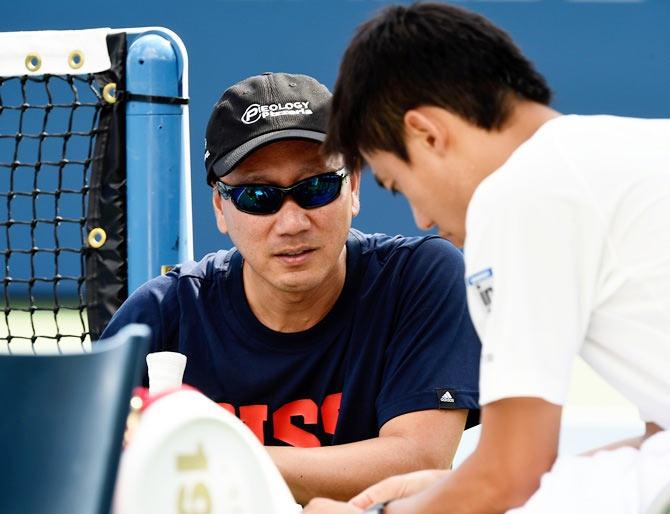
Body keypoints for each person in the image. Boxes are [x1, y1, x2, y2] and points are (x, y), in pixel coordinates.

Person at [304, 3, 670, 514]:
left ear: (426, 133)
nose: (421, 219)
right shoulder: (639, 149)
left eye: (399, 184)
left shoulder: (520, 194)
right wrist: (444, 494)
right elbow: (655, 440)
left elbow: (508, 477)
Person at [102, 72, 481, 505]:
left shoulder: (418, 278)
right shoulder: (164, 313)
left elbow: (417, 459)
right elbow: (85, 462)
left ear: (353, 185)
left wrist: (201, 456)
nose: (292, 223)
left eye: (317, 188)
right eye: (257, 197)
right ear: (220, 208)